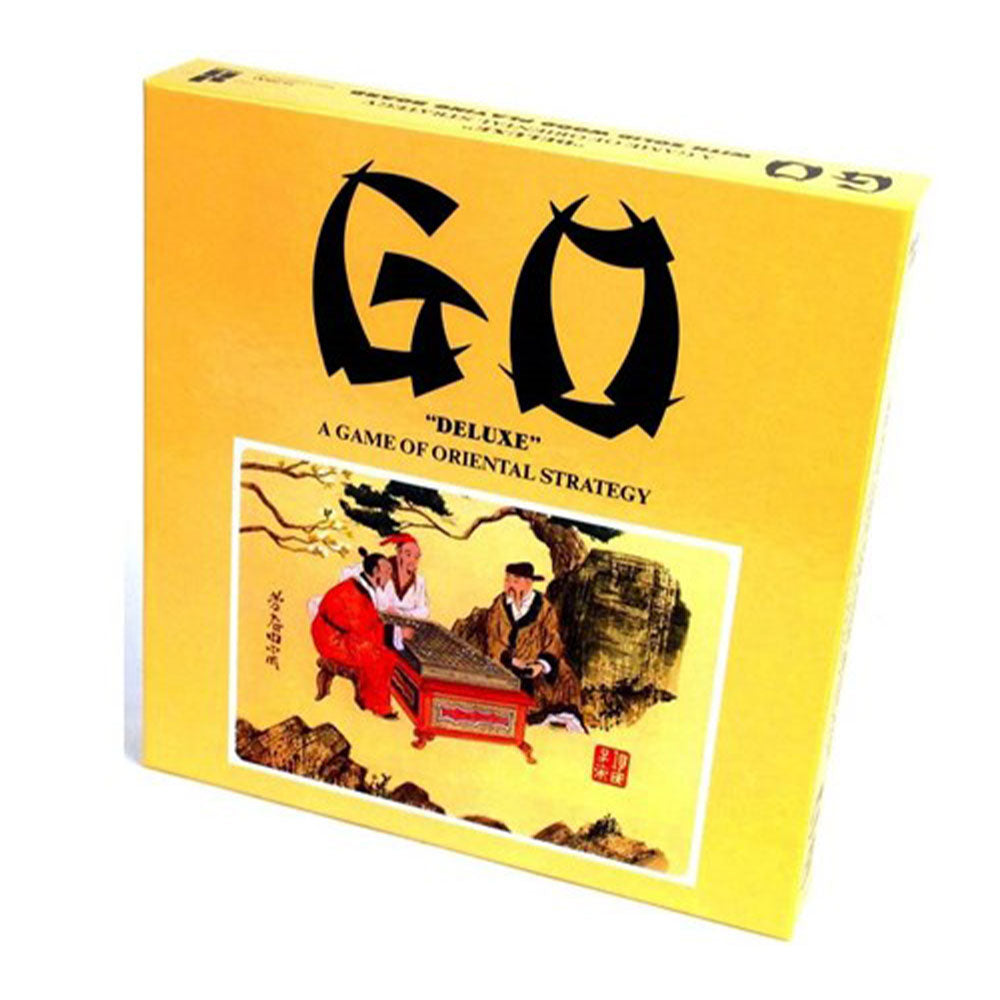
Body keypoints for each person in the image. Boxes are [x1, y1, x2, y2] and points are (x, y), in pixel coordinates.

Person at [483, 562, 586, 732]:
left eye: (515, 581)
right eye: (507, 580)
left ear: (528, 583)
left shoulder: (544, 608)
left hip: (536, 667)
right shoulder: (499, 605)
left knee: (564, 686)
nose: (509, 585)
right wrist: (511, 660)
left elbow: (553, 641)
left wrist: (540, 665)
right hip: (506, 664)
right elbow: (492, 638)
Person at [311, 548, 414, 717]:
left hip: (339, 634)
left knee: (384, 649)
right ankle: (377, 706)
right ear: (375, 572)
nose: (390, 576)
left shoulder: (360, 588)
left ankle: (374, 699)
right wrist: (398, 633)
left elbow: (367, 622)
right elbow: (364, 632)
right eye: (387, 571)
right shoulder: (352, 594)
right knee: (378, 655)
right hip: (332, 640)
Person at [339, 532, 429, 618]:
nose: (412, 561)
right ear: (399, 552)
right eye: (408, 555)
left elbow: (424, 610)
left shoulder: (419, 582)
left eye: (416, 557)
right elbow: (347, 573)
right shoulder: (382, 568)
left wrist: (401, 614)